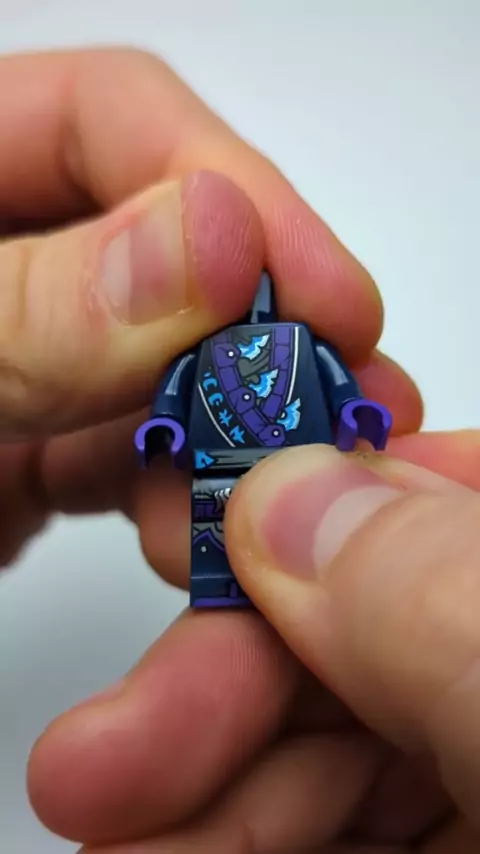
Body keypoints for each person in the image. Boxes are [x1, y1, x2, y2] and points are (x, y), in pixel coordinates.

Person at [1, 47, 478, 853]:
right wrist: (164, 424)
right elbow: (176, 383)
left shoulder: (299, 344)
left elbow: (336, 381)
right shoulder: (210, 347)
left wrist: (356, 415)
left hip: (282, 461)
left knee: (256, 573)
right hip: (221, 466)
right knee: (221, 556)